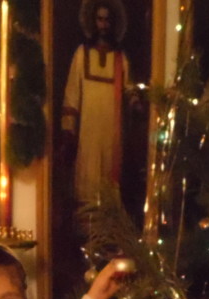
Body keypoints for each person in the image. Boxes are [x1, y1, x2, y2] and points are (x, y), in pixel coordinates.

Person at [60, 0, 131, 205]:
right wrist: (68, 130)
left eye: (107, 20)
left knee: (109, 182)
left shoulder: (120, 58)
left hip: (112, 136)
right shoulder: (81, 54)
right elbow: (72, 94)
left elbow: (129, 90)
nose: (103, 25)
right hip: (87, 135)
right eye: (100, 19)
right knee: (87, 179)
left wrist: (135, 103)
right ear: (93, 21)